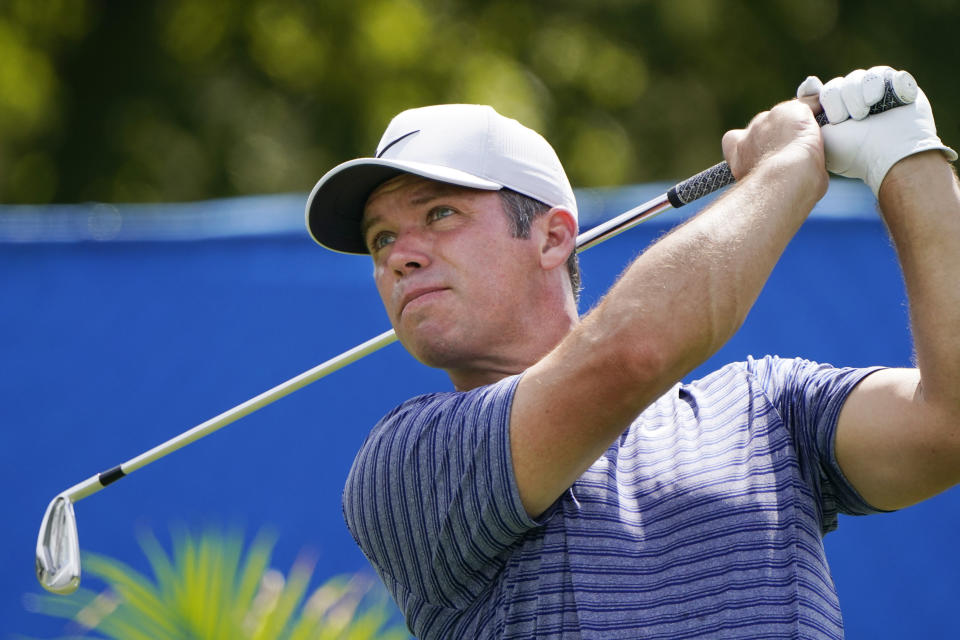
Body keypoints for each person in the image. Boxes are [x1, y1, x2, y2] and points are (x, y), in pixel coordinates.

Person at [305, 66, 959, 639]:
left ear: (553, 237)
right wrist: (787, 163)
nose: (400, 254)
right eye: (382, 237)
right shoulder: (406, 464)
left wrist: (908, 159)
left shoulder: (771, 409)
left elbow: (949, 425)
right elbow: (630, 356)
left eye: (439, 214)